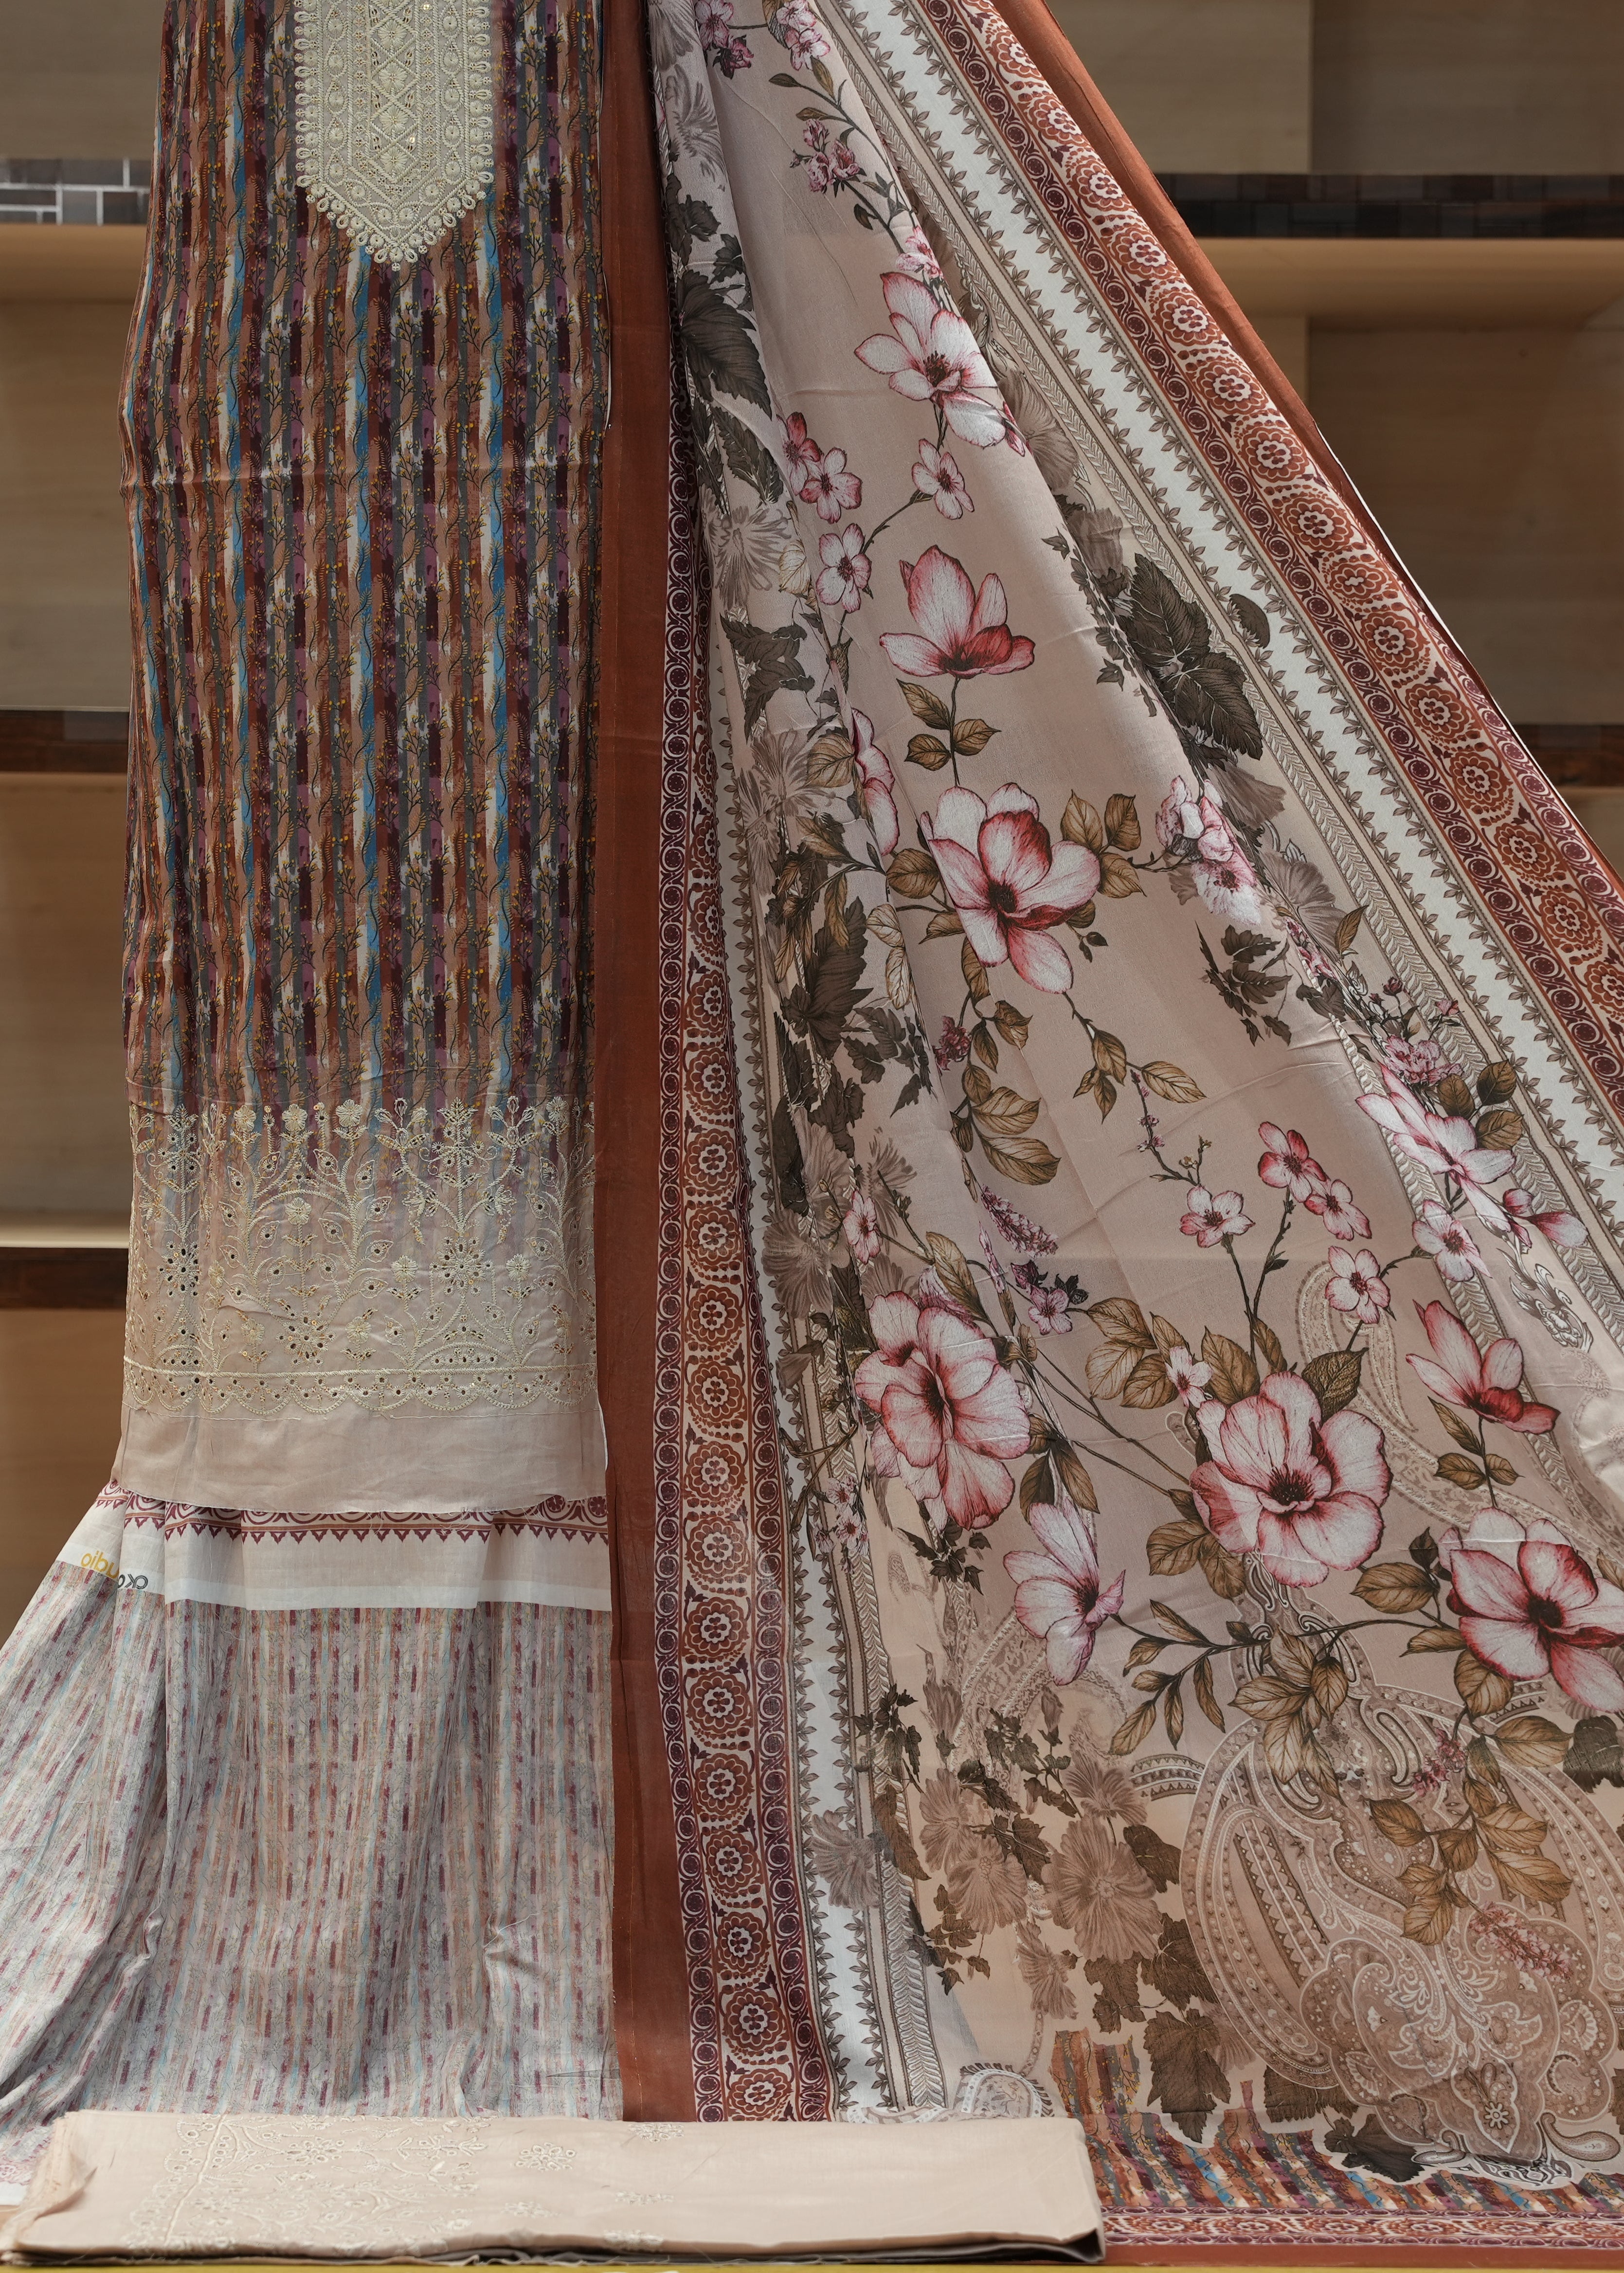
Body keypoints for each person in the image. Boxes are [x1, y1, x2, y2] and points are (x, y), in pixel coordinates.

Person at [4, 0, 1624, 2249]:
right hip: (339, 143)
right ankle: (317, 1839)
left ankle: (535, 1847)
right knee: (355, 629)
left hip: (503, 116)